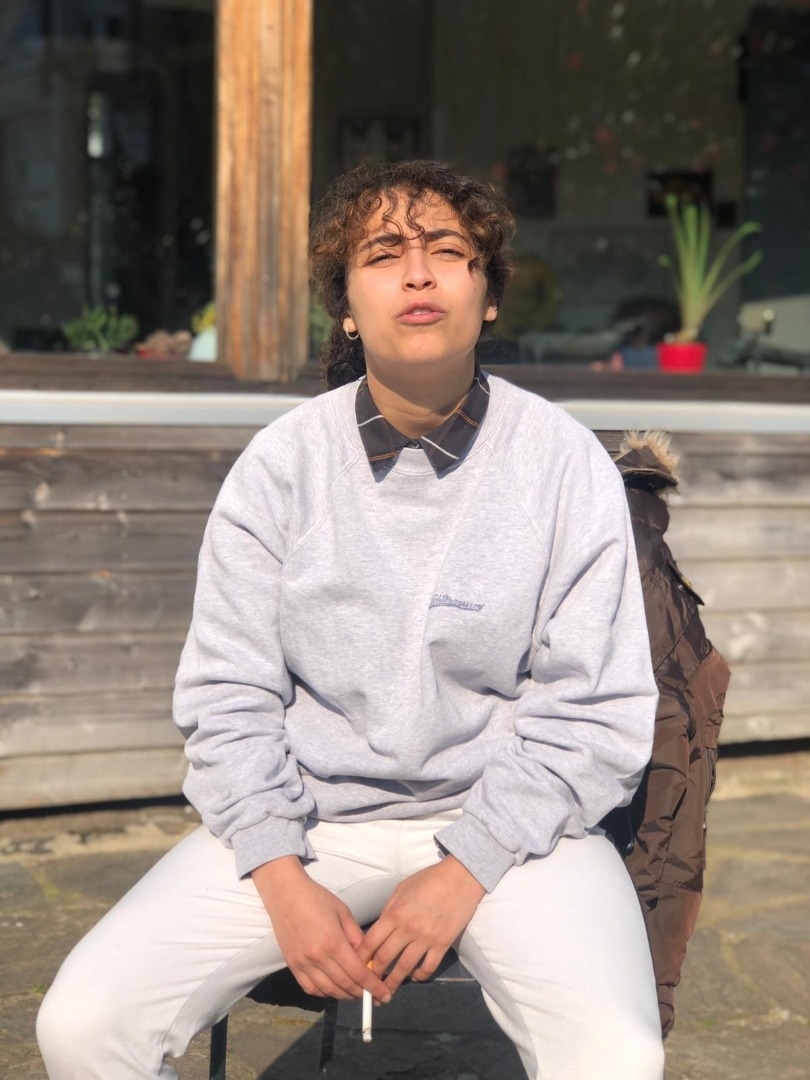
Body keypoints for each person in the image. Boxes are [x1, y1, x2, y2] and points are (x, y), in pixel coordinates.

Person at [37, 161, 665, 1080]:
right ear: (346, 307)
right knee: (85, 1024)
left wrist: (465, 868)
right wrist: (279, 877)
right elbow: (227, 696)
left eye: (446, 250)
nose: (416, 274)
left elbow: (595, 709)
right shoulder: (281, 466)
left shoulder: (563, 464)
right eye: (382, 255)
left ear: (488, 295)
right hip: (310, 818)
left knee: (616, 1054)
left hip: (514, 824)